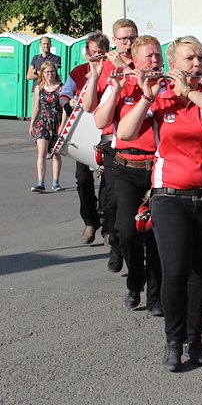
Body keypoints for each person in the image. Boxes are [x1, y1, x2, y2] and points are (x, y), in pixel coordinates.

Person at [117, 35, 202, 372]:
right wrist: (145, 96)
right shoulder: (161, 97)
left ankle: (194, 339)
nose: (196, 64)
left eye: (199, 58)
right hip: (169, 196)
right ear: (173, 64)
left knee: (200, 273)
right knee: (175, 271)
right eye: (188, 59)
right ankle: (173, 340)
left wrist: (192, 93)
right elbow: (125, 132)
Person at [94, 35, 164, 314]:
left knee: (157, 233)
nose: (155, 60)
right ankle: (135, 282)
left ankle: (156, 296)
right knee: (126, 231)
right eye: (149, 56)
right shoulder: (122, 82)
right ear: (135, 59)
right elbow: (100, 120)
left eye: (158, 55)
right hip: (125, 167)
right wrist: (116, 88)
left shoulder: (167, 86)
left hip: (158, 168)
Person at [82, 18, 140, 271]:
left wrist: (126, 66)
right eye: (124, 38)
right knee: (113, 201)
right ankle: (116, 244)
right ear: (114, 41)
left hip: (145, 143)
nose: (129, 43)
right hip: (113, 144)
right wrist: (95, 77)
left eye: (132, 37)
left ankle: (140, 256)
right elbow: (88, 106)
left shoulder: (143, 63)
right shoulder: (106, 65)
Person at [60, 32, 110, 247]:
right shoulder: (78, 72)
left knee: (109, 182)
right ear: (87, 54)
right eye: (93, 53)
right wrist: (69, 103)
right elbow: (64, 94)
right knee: (83, 179)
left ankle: (108, 224)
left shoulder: (113, 72)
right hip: (84, 130)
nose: (97, 57)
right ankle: (90, 221)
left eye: (101, 53)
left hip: (107, 130)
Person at [28, 61, 64, 192]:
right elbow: (36, 107)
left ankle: (56, 182)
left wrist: (63, 125)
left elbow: (64, 108)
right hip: (42, 122)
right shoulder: (39, 88)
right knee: (41, 153)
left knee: (55, 153)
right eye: (47, 72)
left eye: (52, 72)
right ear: (42, 73)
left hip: (57, 122)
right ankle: (41, 182)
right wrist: (32, 124)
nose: (50, 74)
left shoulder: (61, 87)